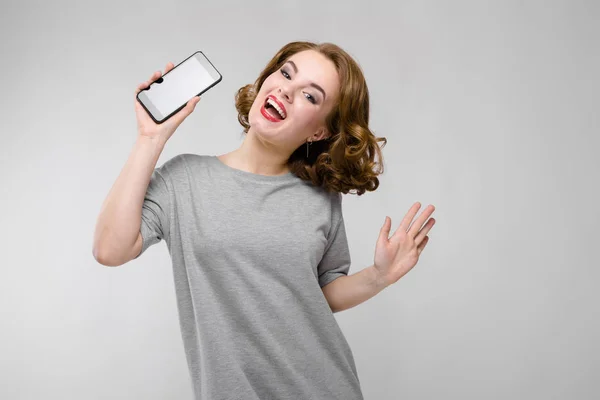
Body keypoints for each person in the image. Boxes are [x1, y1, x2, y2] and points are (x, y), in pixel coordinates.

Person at [93, 41, 427, 400]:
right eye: (285, 73)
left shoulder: (320, 198)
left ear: (320, 132)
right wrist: (150, 137)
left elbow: (320, 294)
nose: (285, 89)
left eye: (310, 97)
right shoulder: (184, 179)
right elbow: (110, 249)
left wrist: (379, 276)